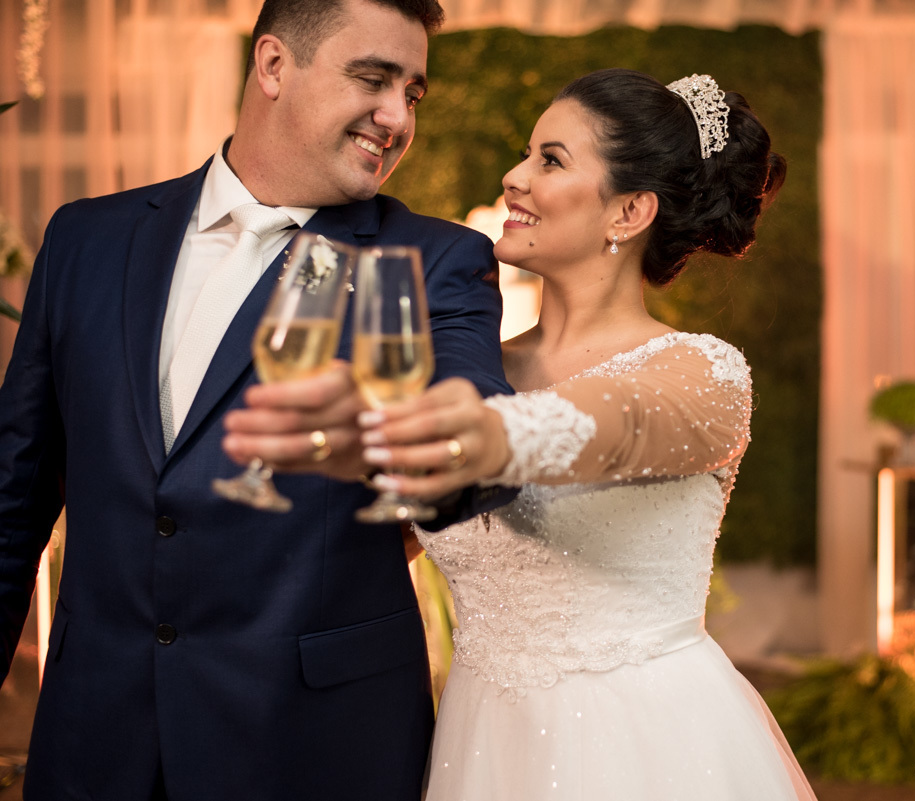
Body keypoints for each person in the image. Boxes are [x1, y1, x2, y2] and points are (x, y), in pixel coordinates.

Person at [0, 0, 512, 798]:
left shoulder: (432, 259)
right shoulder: (85, 240)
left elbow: (476, 456)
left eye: (412, 93)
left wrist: (393, 442)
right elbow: (13, 497)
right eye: (373, 79)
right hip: (94, 740)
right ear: (274, 66)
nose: (395, 116)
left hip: (313, 751)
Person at [354, 68, 817, 800]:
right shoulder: (472, 370)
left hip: (646, 751)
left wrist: (483, 433)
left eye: (551, 160)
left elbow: (619, 423)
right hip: (477, 749)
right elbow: (376, 542)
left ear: (629, 210)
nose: (514, 177)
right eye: (527, 153)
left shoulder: (703, 373)